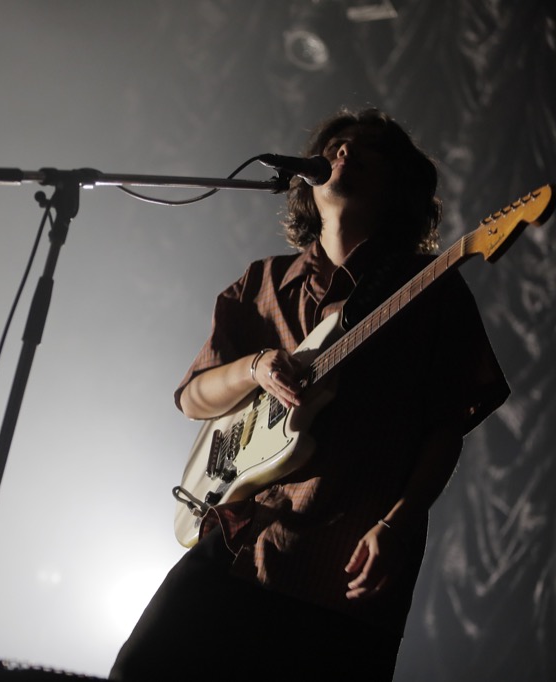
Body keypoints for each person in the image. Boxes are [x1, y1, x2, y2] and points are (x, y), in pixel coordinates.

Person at [109, 109, 510, 681]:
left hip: (342, 566)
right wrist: (255, 367)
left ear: (399, 186)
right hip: (239, 540)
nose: (345, 151)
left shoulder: (432, 288)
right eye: (337, 143)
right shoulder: (262, 282)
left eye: (369, 149)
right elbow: (194, 398)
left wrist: (397, 524)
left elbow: (446, 428)